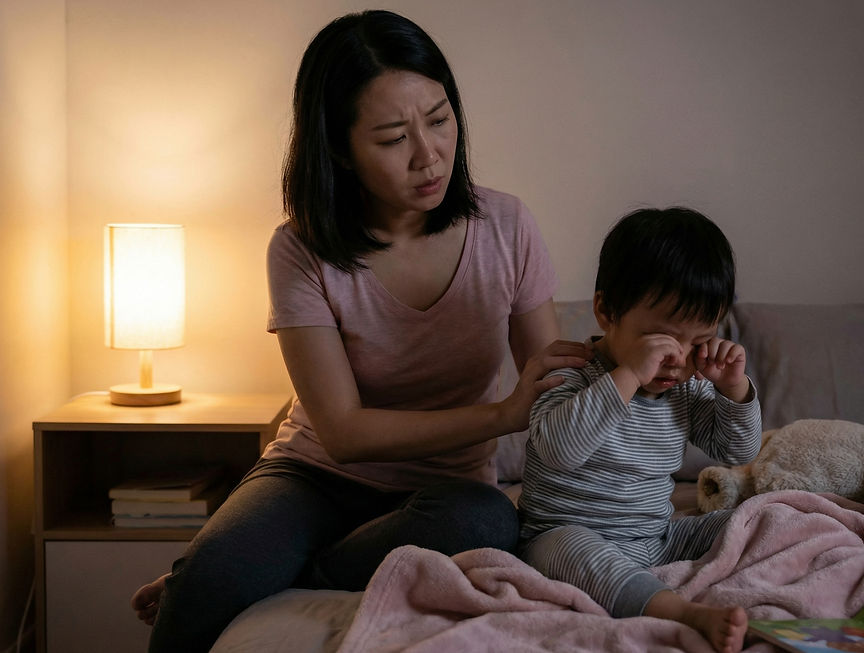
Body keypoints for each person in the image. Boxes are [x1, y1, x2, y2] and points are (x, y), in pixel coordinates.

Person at [130, 10, 590, 651]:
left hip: (445, 492)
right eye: (393, 137)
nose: (429, 154)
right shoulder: (299, 249)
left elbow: (557, 394)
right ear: (340, 150)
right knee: (209, 582)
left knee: (486, 522)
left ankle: (302, 571)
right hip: (313, 477)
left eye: (439, 119)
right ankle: (250, 567)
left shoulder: (506, 226)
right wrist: (501, 415)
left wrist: (638, 363)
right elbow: (343, 434)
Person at [517, 207, 762, 653]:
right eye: (660, 340)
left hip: (658, 538)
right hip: (565, 536)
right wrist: (628, 374)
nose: (678, 359)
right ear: (606, 311)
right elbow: (559, 450)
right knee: (571, 549)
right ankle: (681, 613)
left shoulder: (686, 386)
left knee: (762, 517)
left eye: (698, 341)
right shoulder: (570, 373)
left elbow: (737, 450)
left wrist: (734, 388)